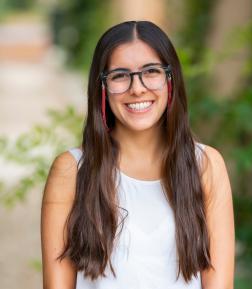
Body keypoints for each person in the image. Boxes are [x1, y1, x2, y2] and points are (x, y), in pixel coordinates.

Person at [41, 21, 235, 289]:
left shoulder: (206, 166)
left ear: (171, 79)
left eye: (151, 71)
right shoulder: (71, 170)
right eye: (120, 75)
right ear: (102, 87)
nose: (137, 88)